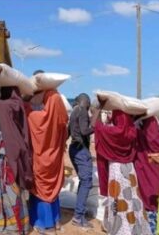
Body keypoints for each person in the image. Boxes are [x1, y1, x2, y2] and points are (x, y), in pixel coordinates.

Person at [0, 67, 33, 234]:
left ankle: (13, 225)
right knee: (11, 188)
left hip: (7, 154)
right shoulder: (15, 104)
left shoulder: (9, 105)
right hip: (12, 152)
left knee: (8, 188)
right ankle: (18, 223)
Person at [93, 107, 152, 235]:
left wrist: (98, 110)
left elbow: (96, 126)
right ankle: (136, 226)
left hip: (116, 170)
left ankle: (119, 227)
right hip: (130, 169)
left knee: (117, 198)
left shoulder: (112, 131)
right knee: (132, 197)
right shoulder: (132, 131)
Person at [26, 70, 69, 234]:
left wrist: (28, 109)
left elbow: (34, 121)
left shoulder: (35, 116)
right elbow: (64, 130)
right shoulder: (60, 113)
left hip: (41, 158)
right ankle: (56, 221)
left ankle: (45, 224)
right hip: (55, 157)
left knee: (42, 188)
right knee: (53, 188)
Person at [134, 117, 159, 234]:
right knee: (153, 195)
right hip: (152, 168)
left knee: (147, 196)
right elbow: (155, 144)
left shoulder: (138, 132)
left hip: (143, 167)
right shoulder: (152, 132)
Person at [68, 93, 94, 228]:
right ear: (85, 102)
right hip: (80, 150)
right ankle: (79, 216)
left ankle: (80, 211)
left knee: (83, 180)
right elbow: (84, 131)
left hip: (73, 149)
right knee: (86, 181)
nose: (89, 107)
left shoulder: (73, 112)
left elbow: (68, 131)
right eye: (88, 104)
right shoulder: (82, 110)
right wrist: (96, 127)